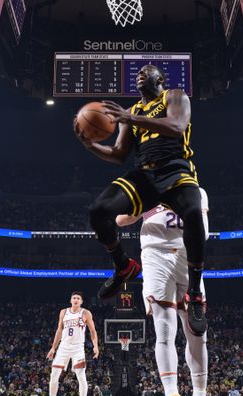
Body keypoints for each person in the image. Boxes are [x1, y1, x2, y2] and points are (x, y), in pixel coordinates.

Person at [74, 64, 208, 335]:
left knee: (193, 212)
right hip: (145, 174)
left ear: (161, 78)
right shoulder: (132, 111)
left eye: (148, 71)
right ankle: (123, 265)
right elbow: (119, 154)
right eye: (138, 72)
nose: (140, 74)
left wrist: (128, 119)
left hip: (176, 169)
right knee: (98, 211)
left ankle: (194, 293)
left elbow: (177, 126)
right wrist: (90, 146)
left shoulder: (175, 96)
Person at [115, 187, 218, 396]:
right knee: (164, 330)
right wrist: (143, 202)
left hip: (187, 256)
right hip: (155, 255)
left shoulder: (197, 190)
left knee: (197, 333)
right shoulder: (148, 186)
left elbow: (202, 233)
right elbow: (120, 220)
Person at [40, 292, 99, 396]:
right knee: (54, 376)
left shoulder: (85, 313)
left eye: (78, 298)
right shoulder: (63, 312)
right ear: (70, 300)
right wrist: (53, 348)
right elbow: (59, 330)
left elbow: (93, 331)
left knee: (81, 376)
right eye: (74, 298)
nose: (76, 300)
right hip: (63, 347)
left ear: (82, 301)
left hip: (78, 347)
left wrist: (96, 346)